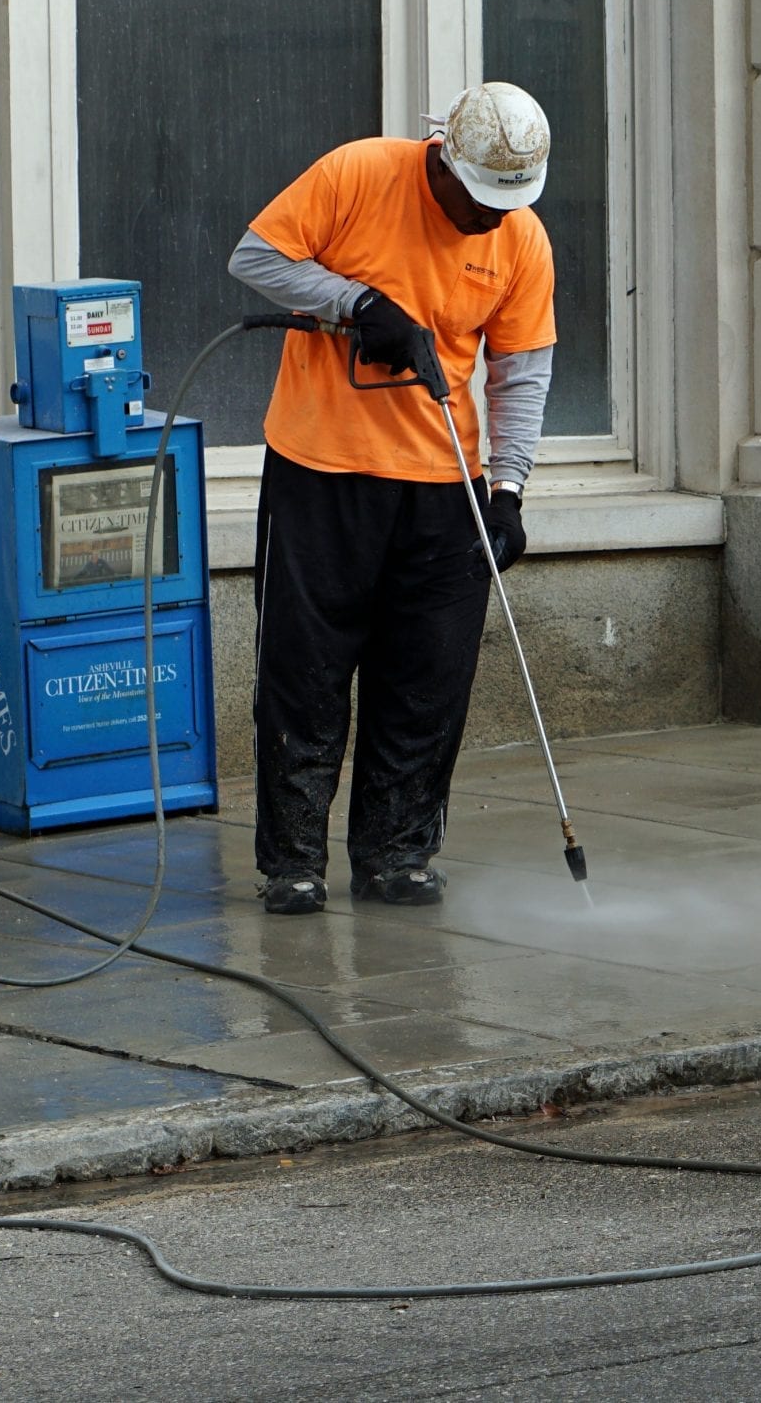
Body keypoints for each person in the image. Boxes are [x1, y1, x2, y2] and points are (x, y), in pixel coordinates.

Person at [226, 82, 556, 916]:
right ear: (444, 158)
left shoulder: (520, 239)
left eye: (505, 205)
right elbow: (255, 257)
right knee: (303, 673)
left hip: (446, 485)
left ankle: (396, 852)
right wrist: (357, 303)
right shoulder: (358, 175)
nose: (489, 219)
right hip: (321, 472)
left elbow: (522, 370)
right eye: (478, 200)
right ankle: (293, 862)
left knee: (427, 681)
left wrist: (508, 490)